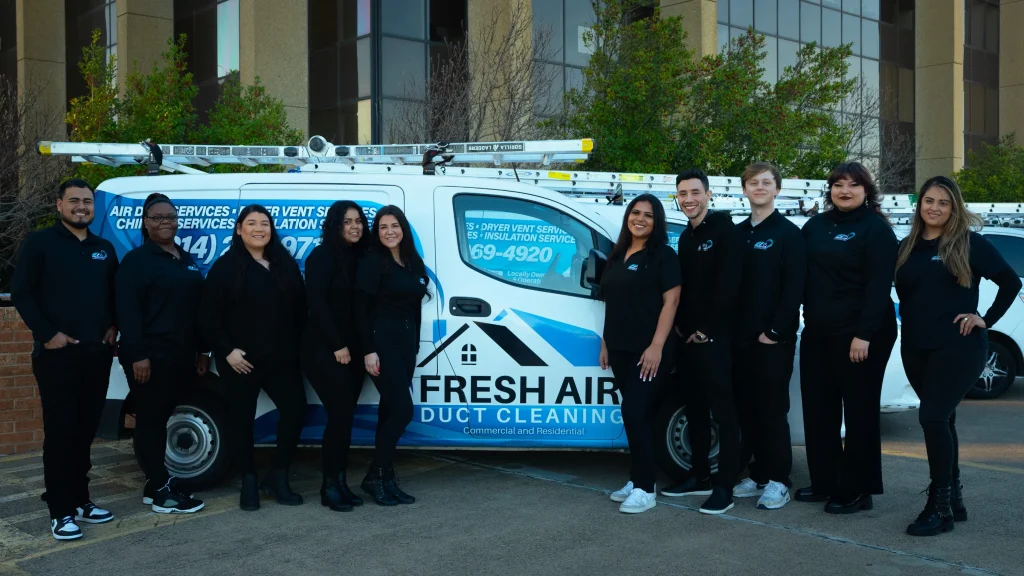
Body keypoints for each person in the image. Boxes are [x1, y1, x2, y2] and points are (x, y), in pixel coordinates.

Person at [895, 176, 1021, 536]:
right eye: (928, 201)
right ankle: (956, 500)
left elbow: (1011, 282)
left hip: (960, 347)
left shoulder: (969, 244)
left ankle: (941, 507)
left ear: (954, 208)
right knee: (943, 420)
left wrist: (985, 319)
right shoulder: (906, 247)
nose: (934, 207)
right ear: (919, 205)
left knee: (932, 417)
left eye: (943, 202)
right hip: (916, 347)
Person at [12, 179, 118, 540]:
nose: (82, 207)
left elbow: (113, 293)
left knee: (85, 431)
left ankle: (81, 500)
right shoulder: (39, 243)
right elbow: (21, 293)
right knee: (60, 433)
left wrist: (113, 326)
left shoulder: (104, 248)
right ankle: (60, 511)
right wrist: (48, 334)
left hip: (96, 355)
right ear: (59, 205)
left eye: (87, 202)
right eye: (74, 201)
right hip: (57, 356)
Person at [798, 162, 898, 514]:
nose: (844, 190)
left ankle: (858, 490)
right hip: (819, 332)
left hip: (863, 334)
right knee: (819, 409)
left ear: (866, 191)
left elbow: (877, 287)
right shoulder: (815, 226)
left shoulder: (877, 231)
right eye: (838, 185)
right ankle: (826, 481)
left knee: (859, 412)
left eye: (853, 185)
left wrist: (864, 335)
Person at [199, 205, 308, 511]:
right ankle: (249, 480)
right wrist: (227, 351)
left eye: (265, 223)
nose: (259, 228)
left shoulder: (283, 264)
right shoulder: (225, 267)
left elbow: (300, 311)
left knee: (296, 409)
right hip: (240, 361)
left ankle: (278, 476)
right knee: (241, 420)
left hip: (281, 360)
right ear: (239, 230)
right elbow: (209, 316)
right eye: (252, 223)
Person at [115, 193, 207, 515]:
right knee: (151, 420)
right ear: (145, 222)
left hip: (180, 354)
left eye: (170, 217)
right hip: (149, 355)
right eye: (158, 217)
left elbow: (198, 309)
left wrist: (202, 350)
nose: (165, 222)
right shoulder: (136, 261)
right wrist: (139, 354)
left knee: (160, 417)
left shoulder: (185, 258)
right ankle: (159, 490)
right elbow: (127, 311)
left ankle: (154, 483)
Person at [660, 169, 743, 516]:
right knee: (694, 409)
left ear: (708, 195)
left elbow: (731, 285)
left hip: (717, 339)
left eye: (695, 192)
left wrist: (709, 329)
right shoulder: (685, 238)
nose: (689, 199)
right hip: (689, 340)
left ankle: (725, 487)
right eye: (683, 193)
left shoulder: (724, 229)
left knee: (724, 414)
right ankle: (699, 477)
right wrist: (682, 329)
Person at [600, 194, 681, 514]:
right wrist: (606, 342)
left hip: (650, 350)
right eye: (636, 213)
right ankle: (637, 480)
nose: (641, 219)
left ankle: (646, 489)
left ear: (656, 221)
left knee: (635, 411)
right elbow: (611, 303)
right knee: (637, 416)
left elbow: (671, 303)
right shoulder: (617, 254)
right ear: (627, 217)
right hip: (619, 348)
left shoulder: (663, 256)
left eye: (648, 215)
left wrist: (657, 346)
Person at [732, 162, 805, 510]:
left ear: (777, 189)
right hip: (741, 340)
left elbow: (795, 289)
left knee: (774, 411)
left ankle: (779, 481)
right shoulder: (738, 233)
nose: (759, 187)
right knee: (748, 410)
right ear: (744, 189)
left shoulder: (789, 233)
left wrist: (774, 331)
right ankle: (759, 474)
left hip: (772, 340)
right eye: (753, 182)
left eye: (766, 182)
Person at [355, 205, 430, 506]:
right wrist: (368, 350)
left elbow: (415, 305)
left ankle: (385, 477)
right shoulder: (373, 262)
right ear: (377, 232)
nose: (389, 232)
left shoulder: (412, 261)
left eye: (394, 225)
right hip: (382, 341)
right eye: (383, 227)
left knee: (389, 411)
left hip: (406, 341)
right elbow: (359, 309)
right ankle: (374, 475)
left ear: (403, 228)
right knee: (403, 411)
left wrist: (414, 344)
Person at [301, 201, 368, 512]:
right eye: (347, 221)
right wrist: (338, 345)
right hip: (325, 350)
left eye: (358, 221)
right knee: (339, 417)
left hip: (352, 351)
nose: (354, 226)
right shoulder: (322, 256)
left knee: (345, 419)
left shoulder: (360, 257)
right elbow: (317, 305)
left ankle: (341, 482)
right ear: (335, 225)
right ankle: (329, 487)